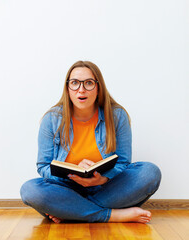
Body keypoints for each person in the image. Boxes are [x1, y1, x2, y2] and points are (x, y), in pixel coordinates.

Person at [20, 60, 161, 223]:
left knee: (150, 172)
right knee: (30, 190)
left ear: (98, 87)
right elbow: (43, 166)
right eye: (74, 83)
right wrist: (71, 176)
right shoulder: (51, 119)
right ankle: (112, 215)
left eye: (88, 83)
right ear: (67, 88)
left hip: (106, 188)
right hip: (66, 190)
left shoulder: (117, 115)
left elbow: (123, 162)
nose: (81, 89)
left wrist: (103, 178)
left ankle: (70, 212)